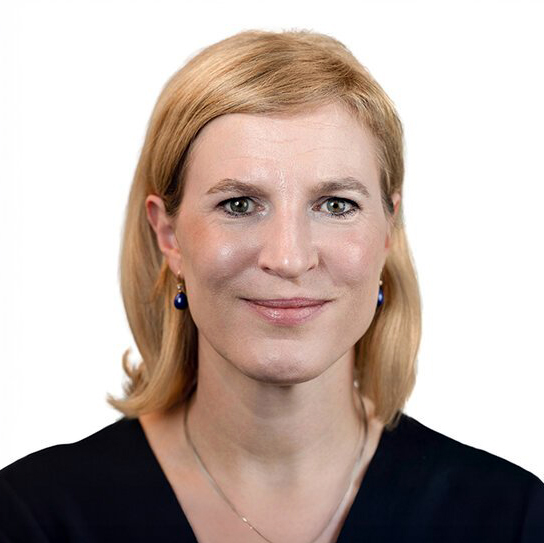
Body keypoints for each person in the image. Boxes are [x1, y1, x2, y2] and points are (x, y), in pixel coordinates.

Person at [0, 29, 542, 543]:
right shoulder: (32, 516)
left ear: (388, 232)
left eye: (336, 205)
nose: (288, 258)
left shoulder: (512, 518)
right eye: (239, 204)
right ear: (168, 235)